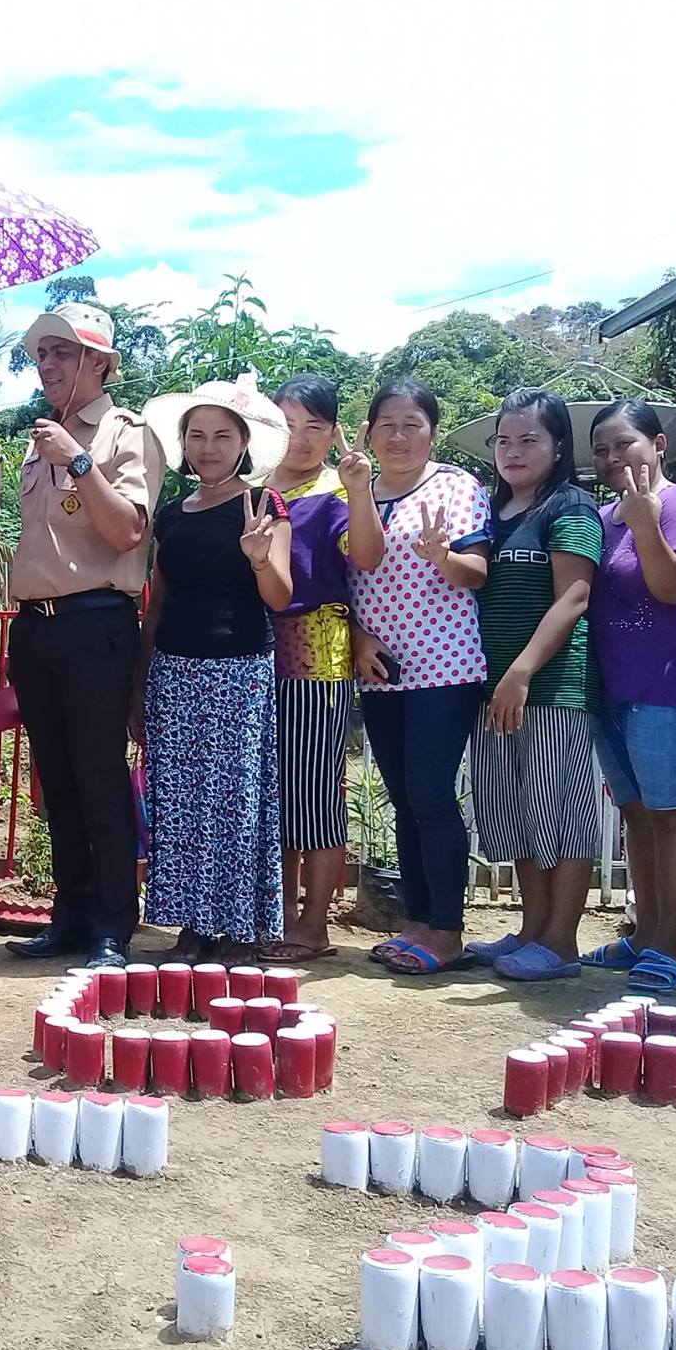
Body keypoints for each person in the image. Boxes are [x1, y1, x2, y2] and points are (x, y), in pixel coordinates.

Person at [4, 303, 162, 970]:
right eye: (42, 355)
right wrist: (59, 451)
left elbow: (127, 530)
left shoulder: (128, 434)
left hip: (96, 622)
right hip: (36, 630)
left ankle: (111, 926)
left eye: (63, 353)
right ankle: (68, 917)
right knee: (57, 781)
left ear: (99, 362)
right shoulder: (42, 438)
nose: (48, 365)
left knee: (99, 778)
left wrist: (77, 462)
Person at [134, 376, 292, 964]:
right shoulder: (172, 513)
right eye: (196, 435)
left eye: (222, 435)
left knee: (232, 797)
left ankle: (233, 924)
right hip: (174, 668)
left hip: (239, 669)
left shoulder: (264, 505)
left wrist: (257, 560)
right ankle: (188, 923)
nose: (208, 447)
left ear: (244, 442)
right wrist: (139, 682)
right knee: (177, 799)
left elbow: (279, 596)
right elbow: (158, 601)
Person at [347, 377, 492, 976]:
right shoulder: (354, 488)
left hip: (445, 665)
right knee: (403, 796)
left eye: (413, 424)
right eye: (387, 424)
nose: (399, 436)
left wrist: (443, 557)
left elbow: (476, 573)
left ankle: (448, 930)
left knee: (431, 794)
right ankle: (415, 922)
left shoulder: (457, 486)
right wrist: (358, 639)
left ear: (433, 430)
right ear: (368, 431)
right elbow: (359, 566)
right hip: (381, 667)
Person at [581, 399, 676, 994]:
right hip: (613, 684)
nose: (613, 458)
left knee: (671, 815)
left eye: (625, 444)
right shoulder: (602, 514)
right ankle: (643, 934)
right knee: (636, 816)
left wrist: (644, 521)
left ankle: (670, 944)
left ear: (659, 445)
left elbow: (672, 590)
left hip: (671, 683)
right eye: (602, 449)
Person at [467, 388, 605, 981]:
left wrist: (522, 670)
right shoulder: (491, 514)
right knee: (522, 813)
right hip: (495, 688)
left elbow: (575, 595)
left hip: (552, 690)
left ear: (557, 446)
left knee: (563, 816)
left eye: (529, 439)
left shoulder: (571, 506)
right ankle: (531, 929)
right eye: (504, 440)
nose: (513, 451)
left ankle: (561, 942)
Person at [262, 373, 383, 961]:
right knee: (270, 791)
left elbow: (366, 557)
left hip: (317, 651)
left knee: (313, 793)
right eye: (287, 425)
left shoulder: (338, 487)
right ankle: (277, 912)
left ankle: (313, 924)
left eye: (314, 426)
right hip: (251, 655)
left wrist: (360, 492)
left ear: (334, 431)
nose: (301, 439)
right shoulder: (250, 482)